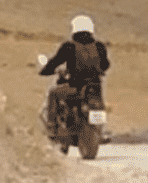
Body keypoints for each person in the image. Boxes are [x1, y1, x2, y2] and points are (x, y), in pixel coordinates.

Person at [39, 14, 110, 149]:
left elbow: (54, 62)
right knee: (99, 106)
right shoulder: (99, 46)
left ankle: (52, 127)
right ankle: (101, 130)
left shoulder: (69, 46)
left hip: (75, 88)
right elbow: (106, 64)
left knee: (53, 93)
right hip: (95, 89)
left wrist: (45, 70)